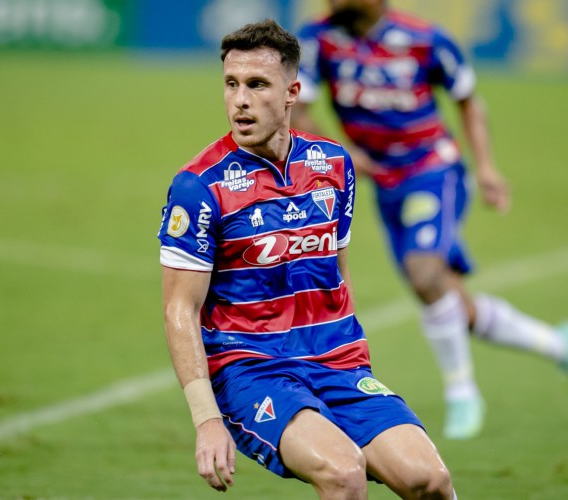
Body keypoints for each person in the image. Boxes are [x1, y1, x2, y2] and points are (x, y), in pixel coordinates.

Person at [159, 18, 457, 499]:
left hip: (338, 362)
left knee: (431, 480)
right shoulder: (199, 186)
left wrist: (356, 360)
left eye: (257, 85)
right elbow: (179, 309)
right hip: (251, 370)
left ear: (293, 90)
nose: (240, 99)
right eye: (232, 84)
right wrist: (206, 420)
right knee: (343, 473)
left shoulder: (333, 164)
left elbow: (336, 271)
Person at [291, 0, 568, 440]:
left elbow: (469, 101)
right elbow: (299, 108)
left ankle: (462, 392)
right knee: (449, 299)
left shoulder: (425, 40)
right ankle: (560, 345)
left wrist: (488, 167)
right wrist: (341, 148)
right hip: (385, 183)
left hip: (432, 170)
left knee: (424, 273)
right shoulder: (319, 39)